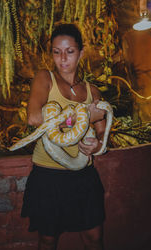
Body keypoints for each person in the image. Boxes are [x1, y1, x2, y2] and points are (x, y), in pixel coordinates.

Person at [21, 23, 107, 250]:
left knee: (94, 237)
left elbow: (104, 135)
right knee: (48, 240)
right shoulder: (45, 78)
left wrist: (97, 147)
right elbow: (33, 117)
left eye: (69, 51)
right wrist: (82, 118)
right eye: (56, 52)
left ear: (81, 52)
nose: (62, 59)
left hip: (84, 177)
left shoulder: (92, 91)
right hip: (49, 177)